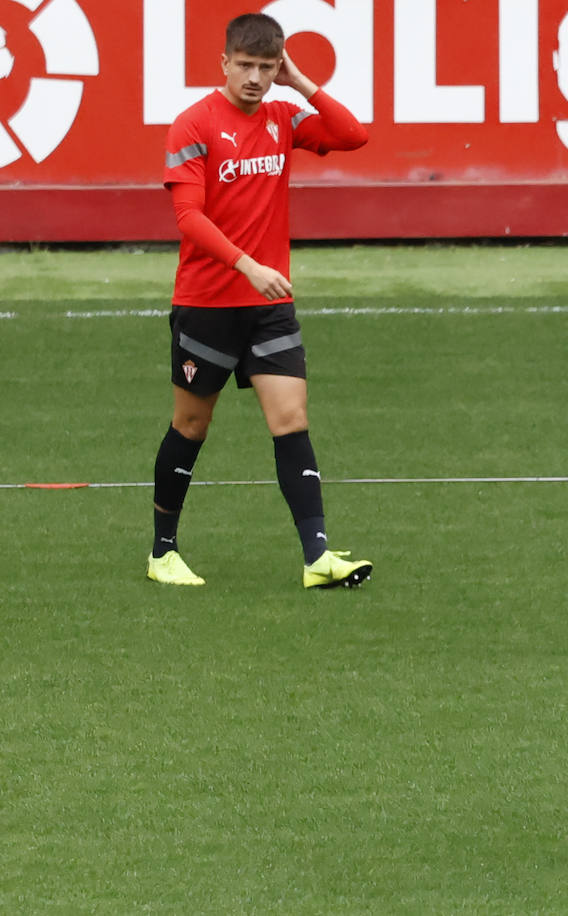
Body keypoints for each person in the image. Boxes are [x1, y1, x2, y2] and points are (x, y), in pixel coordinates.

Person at [147, 12, 372, 589]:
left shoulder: (283, 114)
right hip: (208, 303)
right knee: (191, 425)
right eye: (244, 65)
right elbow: (188, 217)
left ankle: (317, 558)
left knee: (291, 419)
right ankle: (162, 552)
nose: (254, 77)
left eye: (266, 67)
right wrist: (247, 264)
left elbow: (353, 135)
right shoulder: (193, 125)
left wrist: (300, 83)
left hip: (268, 305)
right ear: (223, 62)